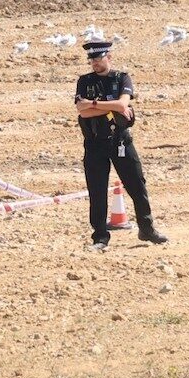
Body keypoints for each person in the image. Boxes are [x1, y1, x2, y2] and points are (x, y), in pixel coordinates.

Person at [73, 39, 169, 247]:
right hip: (94, 142)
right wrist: (111, 107)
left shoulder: (121, 78)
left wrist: (96, 104)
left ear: (109, 57)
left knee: (136, 185)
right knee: (97, 190)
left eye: (98, 58)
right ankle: (100, 236)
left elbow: (122, 103)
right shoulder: (85, 81)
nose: (94, 63)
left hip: (120, 141)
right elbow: (83, 110)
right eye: (91, 60)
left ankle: (147, 229)